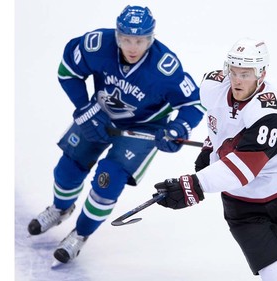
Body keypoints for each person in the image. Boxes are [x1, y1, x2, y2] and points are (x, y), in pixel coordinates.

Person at [27, 5, 204, 264]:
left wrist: (178, 129)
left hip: (143, 128)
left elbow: (193, 104)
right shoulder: (98, 44)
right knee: (67, 170)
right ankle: (60, 209)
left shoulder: (165, 67)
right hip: (99, 113)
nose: (133, 47)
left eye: (140, 40)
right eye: (126, 39)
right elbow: (68, 71)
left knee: (107, 181)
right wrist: (84, 107)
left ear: (151, 38)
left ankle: (81, 234)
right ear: (117, 35)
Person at [153, 38, 277, 280]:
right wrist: (208, 148)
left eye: (245, 74)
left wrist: (194, 185)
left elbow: (243, 168)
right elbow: (219, 124)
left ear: (261, 73)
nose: (236, 80)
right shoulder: (213, 86)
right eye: (232, 72)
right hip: (243, 206)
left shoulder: (269, 112)